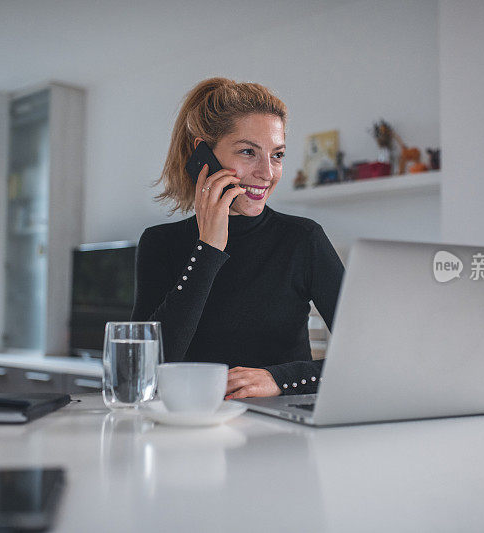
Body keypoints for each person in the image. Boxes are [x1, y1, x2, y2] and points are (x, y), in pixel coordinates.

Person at [130, 77, 344, 400]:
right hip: (189, 432)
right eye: (248, 152)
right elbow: (145, 372)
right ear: (202, 153)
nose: (267, 173)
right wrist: (208, 250)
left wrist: (280, 379)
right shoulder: (160, 245)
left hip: (283, 436)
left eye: (278, 155)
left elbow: (368, 358)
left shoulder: (304, 240)